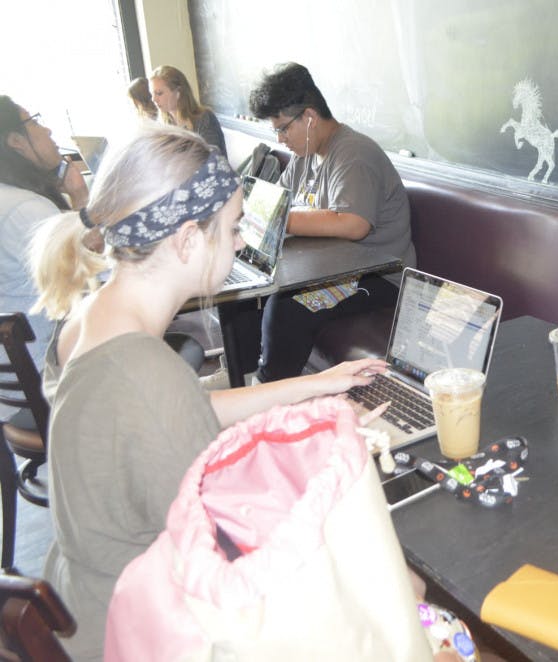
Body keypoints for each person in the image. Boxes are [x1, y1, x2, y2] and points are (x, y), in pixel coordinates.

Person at [29, 125, 387, 661]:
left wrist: (312, 388)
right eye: (235, 227)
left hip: (80, 599)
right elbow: (226, 554)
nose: (241, 243)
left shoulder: (94, 318)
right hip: (139, 631)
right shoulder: (146, 374)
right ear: (188, 239)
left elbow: (179, 411)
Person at [247, 62, 416, 382]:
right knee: (251, 297)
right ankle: (248, 377)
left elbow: (353, 224)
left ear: (309, 117)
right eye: (276, 131)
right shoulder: (304, 157)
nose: (281, 139)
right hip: (331, 271)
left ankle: (268, 392)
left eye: (283, 128)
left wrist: (282, 219)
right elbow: (274, 203)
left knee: (286, 307)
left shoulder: (354, 154)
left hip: (379, 278)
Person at [0, 96, 90, 418]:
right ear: (15, 142)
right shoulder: (27, 210)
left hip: (11, 385)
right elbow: (84, 283)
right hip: (45, 382)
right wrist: (79, 196)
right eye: (34, 122)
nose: (48, 130)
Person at [149, 64, 227, 156]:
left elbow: (210, 158)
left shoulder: (204, 118)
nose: (153, 99)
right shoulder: (164, 123)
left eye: (159, 93)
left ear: (178, 93)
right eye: (152, 94)